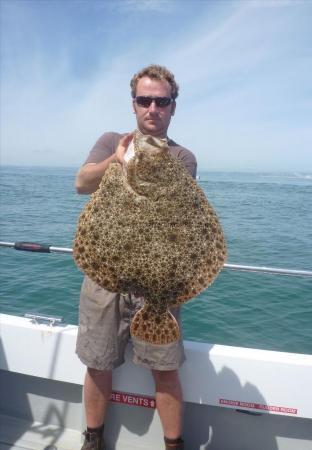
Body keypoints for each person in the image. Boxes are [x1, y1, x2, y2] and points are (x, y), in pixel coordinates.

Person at [75, 64, 197, 450]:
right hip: (106, 274)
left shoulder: (183, 158)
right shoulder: (112, 141)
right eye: (145, 100)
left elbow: (177, 218)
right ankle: (92, 440)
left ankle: (173, 445)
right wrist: (116, 161)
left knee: (165, 369)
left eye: (161, 101)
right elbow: (82, 183)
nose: (153, 108)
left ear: (172, 107)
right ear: (134, 105)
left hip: (158, 282)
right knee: (98, 363)